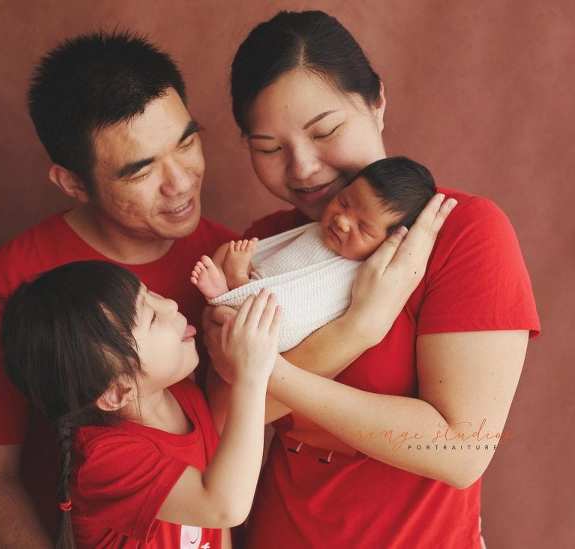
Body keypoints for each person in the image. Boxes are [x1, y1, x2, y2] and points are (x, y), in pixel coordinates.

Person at [204, 10, 540, 549]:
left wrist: (266, 370)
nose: (303, 168)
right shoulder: (266, 243)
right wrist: (360, 326)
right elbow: (214, 428)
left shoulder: (466, 233)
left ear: (377, 102)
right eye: (268, 148)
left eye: (325, 131)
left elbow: (460, 453)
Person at [0, 32, 236, 548]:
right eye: (142, 170)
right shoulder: (9, 281)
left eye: (187, 143)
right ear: (73, 183)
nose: (181, 182)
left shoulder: (229, 258)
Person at [0, 261, 281, 548]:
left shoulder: (184, 394)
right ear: (117, 392)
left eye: (151, 294)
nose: (171, 305)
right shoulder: (104, 460)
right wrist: (252, 376)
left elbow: (215, 528)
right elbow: (223, 508)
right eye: (151, 318)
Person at [191, 156, 435, 350]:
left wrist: (238, 277)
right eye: (344, 202)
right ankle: (232, 292)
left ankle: (230, 291)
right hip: (257, 286)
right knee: (225, 252)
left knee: (258, 310)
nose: (342, 221)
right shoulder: (317, 231)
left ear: (390, 243)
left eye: (363, 228)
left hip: (267, 325)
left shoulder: (353, 274)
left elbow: (287, 324)